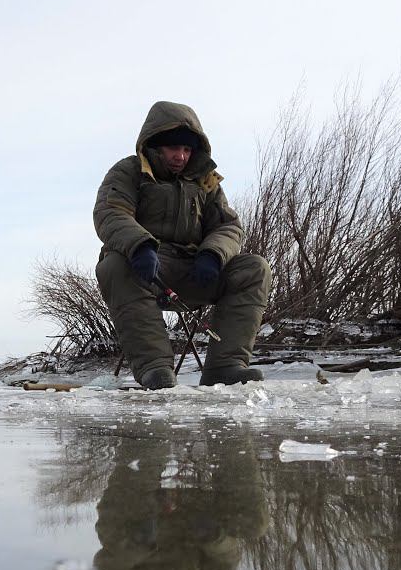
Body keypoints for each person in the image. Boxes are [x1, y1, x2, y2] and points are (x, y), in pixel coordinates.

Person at [93, 100, 272, 389]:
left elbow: (228, 225)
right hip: (145, 270)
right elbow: (110, 212)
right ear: (155, 145)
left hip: (195, 271)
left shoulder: (206, 180)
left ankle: (225, 367)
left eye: (187, 150)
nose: (181, 156)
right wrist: (140, 246)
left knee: (254, 268)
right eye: (174, 148)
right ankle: (155, 368)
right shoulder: (127, 171)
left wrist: (213, 255)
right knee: (114, 264)